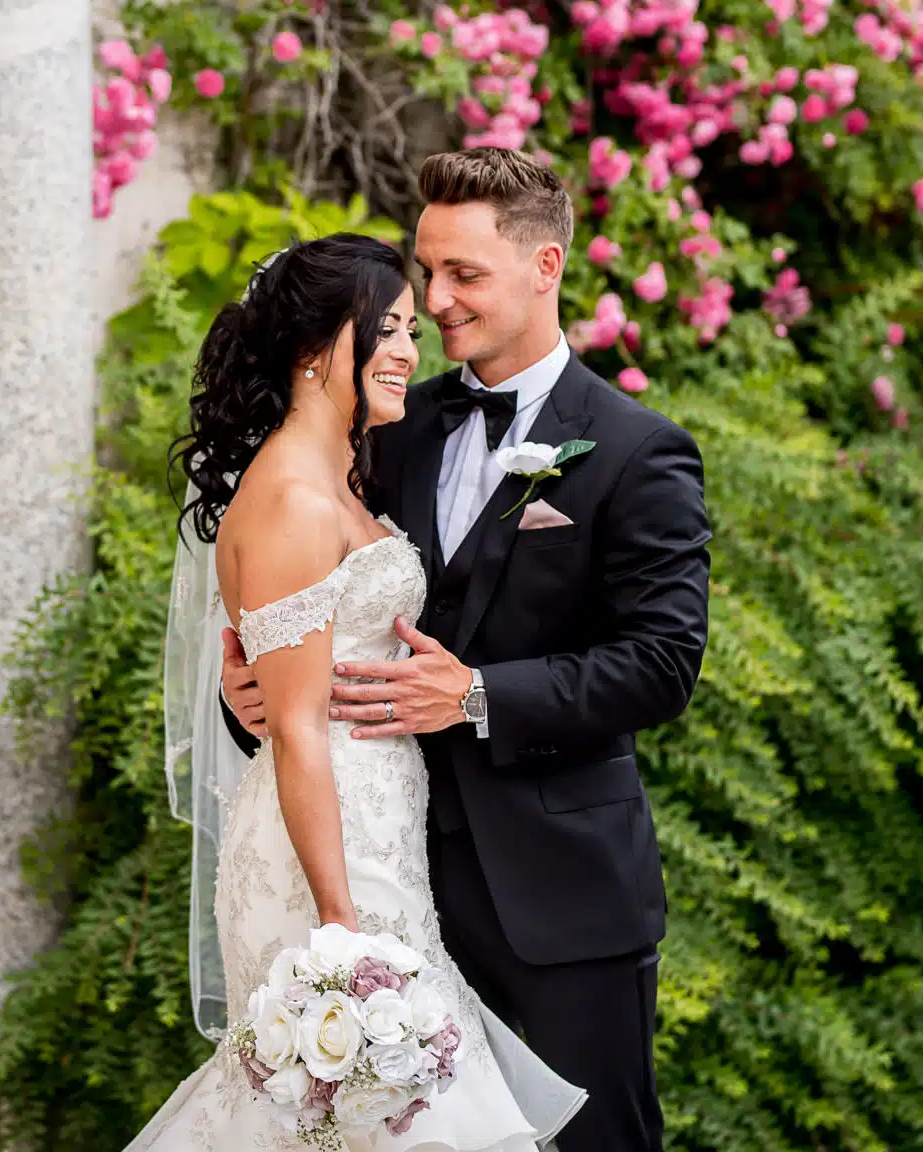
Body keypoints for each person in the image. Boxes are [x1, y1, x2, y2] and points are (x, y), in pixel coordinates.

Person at [220, 147, 712, 1152]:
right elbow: (303, 604)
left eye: (464, 276)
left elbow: (661, 662)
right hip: (396, 882)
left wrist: (478, 692)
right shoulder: (386, 425)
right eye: (425, 271)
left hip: (560, 891)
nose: (434, 301)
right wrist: (252, 697)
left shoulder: (634, 452)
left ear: (546, 268)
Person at [133, 234, 584, 1150]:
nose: (411, 352)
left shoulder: (339, 477)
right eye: (386, 329)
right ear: (312, 349)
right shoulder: (296, 499)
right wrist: (339, 928)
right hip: (326, 847)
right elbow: (296, 731)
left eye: (412, 330)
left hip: (376, 830)